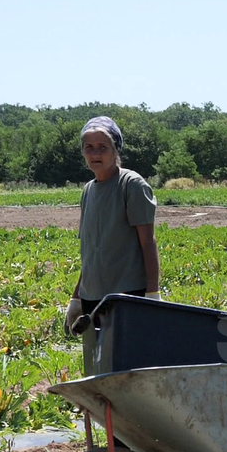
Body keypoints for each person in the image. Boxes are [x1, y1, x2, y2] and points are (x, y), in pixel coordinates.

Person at [64, 116, 162, 374]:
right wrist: (76, 297)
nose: (95, 153)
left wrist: (153, 294)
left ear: (116, 149)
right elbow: (92, 251)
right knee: (98, 371)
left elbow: (147, 243)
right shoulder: (88, 190)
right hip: (92, 297)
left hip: (126, 296)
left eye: (102, 146)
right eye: (89, 147)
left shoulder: (131, 185)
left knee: (127, 368)